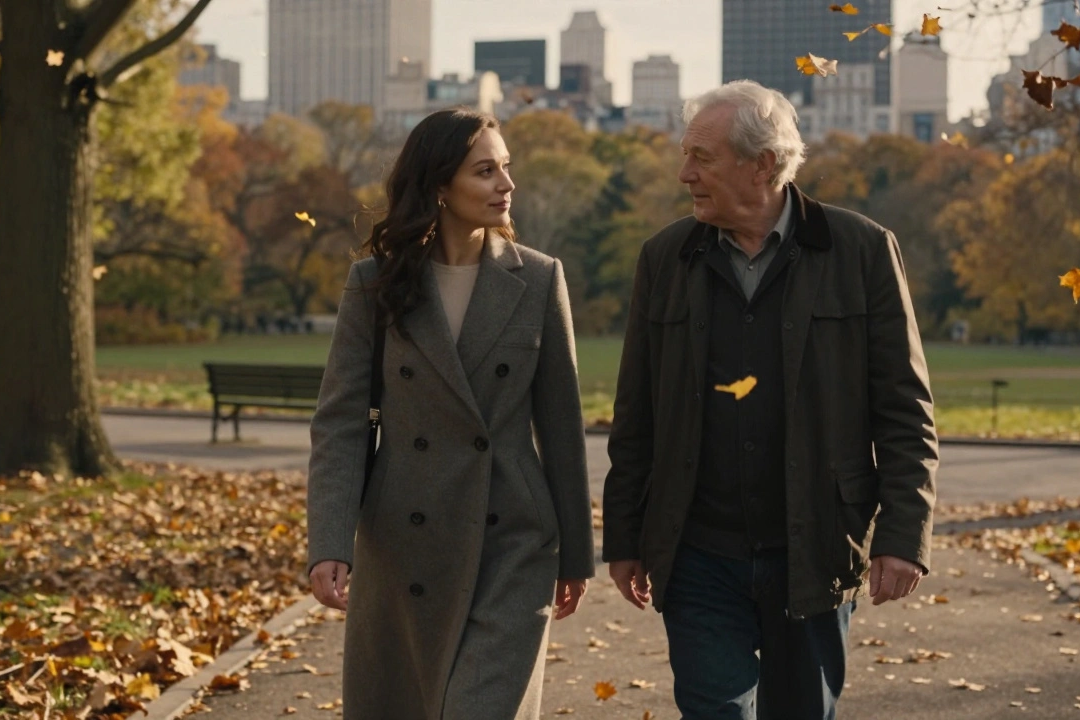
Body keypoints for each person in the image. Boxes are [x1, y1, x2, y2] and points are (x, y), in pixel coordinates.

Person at [602, 80, 938, 720]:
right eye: (685, 155)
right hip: (697, 552)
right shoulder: (664, 258)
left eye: (702, 157)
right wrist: (624, 536)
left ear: (764, 163)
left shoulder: (863, 250)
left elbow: (904, 410)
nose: (684, 174)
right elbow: (636, 413)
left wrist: (903, 533)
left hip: (814, 549)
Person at [306, 107, 595, 720]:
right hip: (406, 542)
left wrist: (576, 554)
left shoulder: (540, 279)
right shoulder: (374, 284)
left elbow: (563, 430)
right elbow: (341, 422)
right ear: (440, 186)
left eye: (507, 168)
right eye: (486, 171)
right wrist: (330, 541)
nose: (506, 185)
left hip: (514, 539)